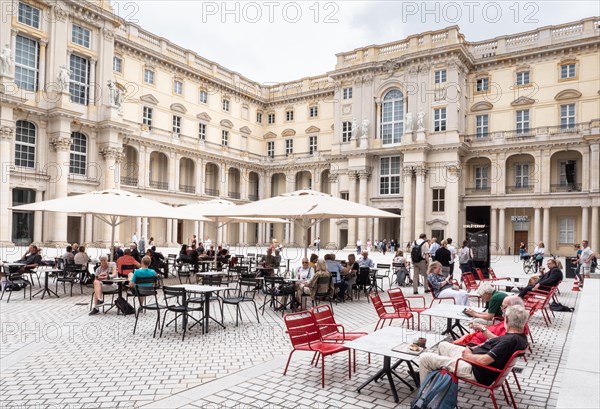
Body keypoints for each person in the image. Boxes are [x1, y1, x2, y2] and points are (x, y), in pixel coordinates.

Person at [418, 305, 529, 385]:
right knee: (443, 345)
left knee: (425, 358)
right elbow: (498, 342)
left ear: (508, 320)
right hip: (475, 362)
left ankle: (425, 395)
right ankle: (439, 379)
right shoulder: (520, 337)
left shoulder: (509, 341)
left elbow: (485, 360)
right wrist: (482, 331)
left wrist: (468, 356)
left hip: (475, 369)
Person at [455, 296, 526, 346]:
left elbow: (501, 342)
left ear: (513, 308)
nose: (502, 309)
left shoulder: (513, 326)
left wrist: (482, 329)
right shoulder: (513, 320)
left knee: (445, 346)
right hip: (474, 340)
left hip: (474, 344)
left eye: (504, 307)